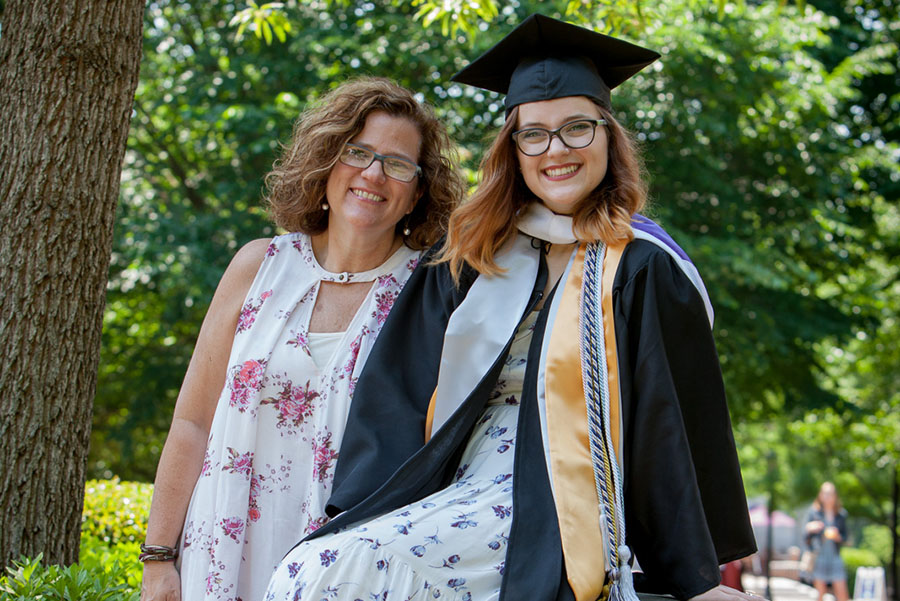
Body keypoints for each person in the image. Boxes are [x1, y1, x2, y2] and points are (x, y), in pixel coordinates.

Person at [266, 14, 758, 601]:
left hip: (564, 500)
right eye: (535, 134)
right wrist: (357, 510)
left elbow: (667, 421)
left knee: (345, 573)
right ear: (514, 148)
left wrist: (693, 579)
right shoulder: (470, 254)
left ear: (608, 136)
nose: (557, 151)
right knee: (317, 565)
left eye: (577, 128)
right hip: (449, 478)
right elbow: (397, 391)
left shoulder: (643, 266)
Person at [139, 77, 463, 601]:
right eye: (357, 152)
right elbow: (192, 422)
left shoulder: (430, 293)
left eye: (398, 164)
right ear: (327, 163)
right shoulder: (257, 268)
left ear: (417, 194)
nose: (373, 173)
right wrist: (159, 560)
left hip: (347, 571)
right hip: (220, 558)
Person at [804, 482, 849, 601]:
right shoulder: (814, 513)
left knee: (842, 594)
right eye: (824, 493)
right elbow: (806, 537)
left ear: (835, 496)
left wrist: (837, 536)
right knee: (820, 594)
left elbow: (845, 538)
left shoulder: (841, 514)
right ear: (820, 495)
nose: (827, 496)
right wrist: (810, 527)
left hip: (835, 556)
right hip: (819, 557)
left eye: (830, 493)